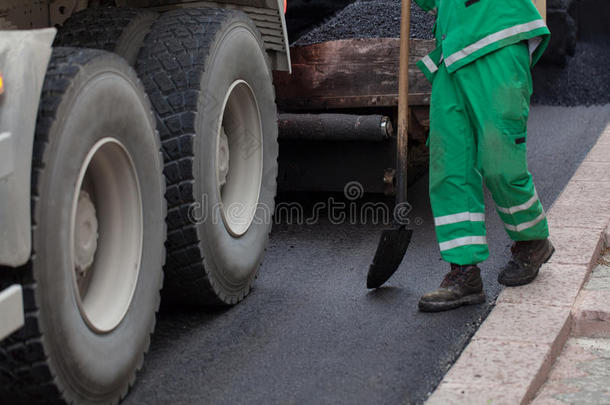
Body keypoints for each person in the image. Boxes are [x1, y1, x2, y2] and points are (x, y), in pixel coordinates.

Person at [413, 0, 555, 312]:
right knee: (449, 166)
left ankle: (532, 241)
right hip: (452, 56)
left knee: (500, 163)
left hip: (498, 40)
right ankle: (463, 272)